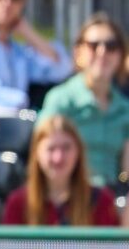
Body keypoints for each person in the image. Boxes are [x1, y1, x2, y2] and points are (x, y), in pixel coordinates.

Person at [36, 14, 129, 187]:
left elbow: (126, 173)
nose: (102, 52)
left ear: (120, 55)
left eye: (111, 46)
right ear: (78, 53)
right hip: (70, 198)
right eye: (93, 45)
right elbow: (43, 157)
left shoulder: (125, 109)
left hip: (112, 202)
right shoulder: (60, 100)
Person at [3, 115, 118, 227]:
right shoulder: (18, 203)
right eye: (51, 149)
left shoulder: (102, 201)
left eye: (66, 147)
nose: (58, 158)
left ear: (78, 152)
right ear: (36, 154)